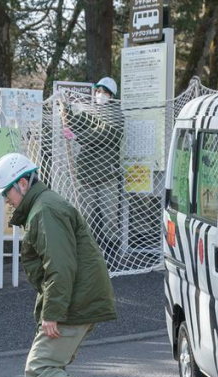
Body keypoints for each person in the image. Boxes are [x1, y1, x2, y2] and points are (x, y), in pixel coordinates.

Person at [0, 152, 118, 377]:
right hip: (75, 300)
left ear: (22, 184)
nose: (6, 200)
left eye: (7, 192)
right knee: (50, 367)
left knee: (39, 367)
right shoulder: (42, 206)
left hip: (74, 304)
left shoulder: (45, 209)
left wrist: (53, 313)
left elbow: (60, 267)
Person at [61, 76, 125, 259]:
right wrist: (65, 108)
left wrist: (78, 137)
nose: (100, 94)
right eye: (98, 91)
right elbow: (77, 122)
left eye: (104, 92)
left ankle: (112, 256)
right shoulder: (91, 112)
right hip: (87, 174)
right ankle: (89, 253)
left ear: (111, 95)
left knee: (109, 221)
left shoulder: (116, 115)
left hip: (107, 177)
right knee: (86, 217)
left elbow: (106, 133)